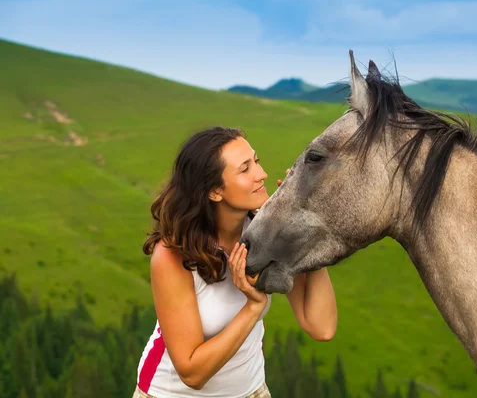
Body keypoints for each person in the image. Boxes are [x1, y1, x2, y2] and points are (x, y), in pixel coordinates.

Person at [133, 127, 338, 398]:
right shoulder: (172, 255)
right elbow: (192, 373)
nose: (261, 174)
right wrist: (254, 307)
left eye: (257, 161)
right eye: (245, 169)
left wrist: (303, 231)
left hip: (251, 392)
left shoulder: (267, 232)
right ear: (214, 191)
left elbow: (321, 327)